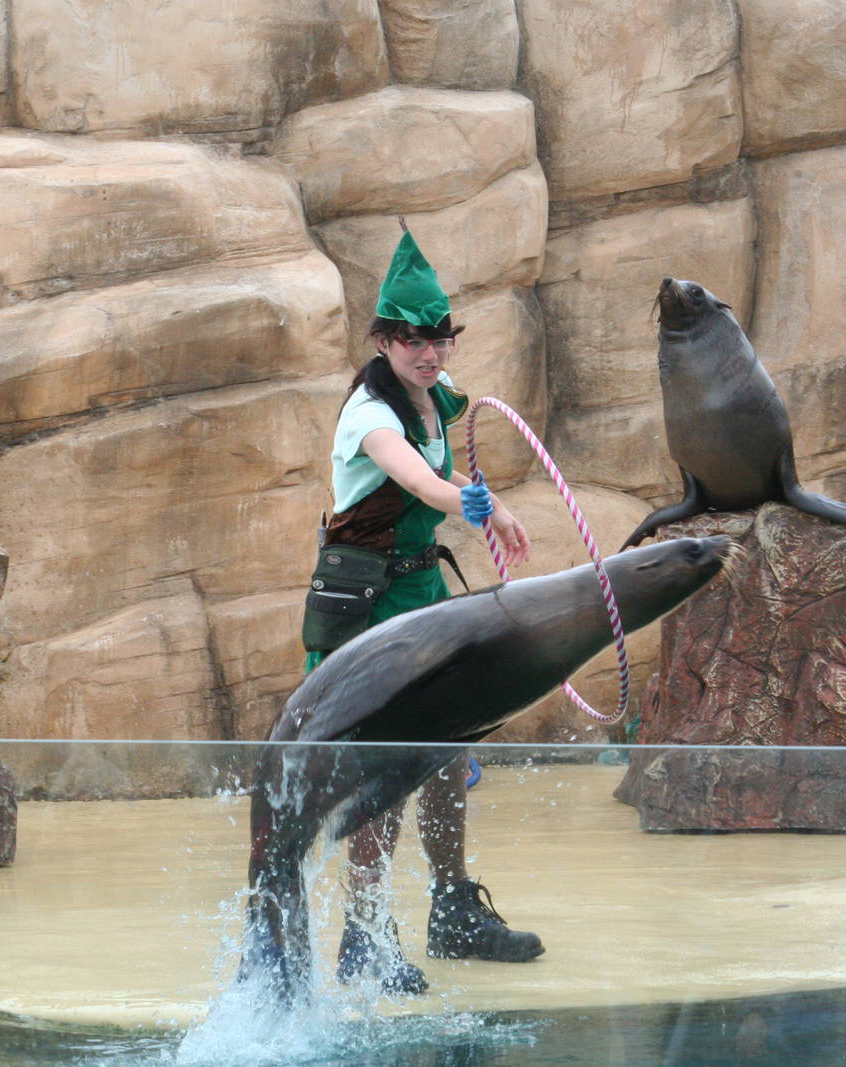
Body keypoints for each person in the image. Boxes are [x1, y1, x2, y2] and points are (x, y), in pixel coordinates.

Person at [305, 229, 544, 995]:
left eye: (437, 337)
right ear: (383, 340)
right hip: (367, 607)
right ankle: (364, 935)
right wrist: (471, 501)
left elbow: (446, 479)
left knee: (445, 750)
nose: (428, 352)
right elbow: (417, 481)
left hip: (421, 596)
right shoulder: (367, 412)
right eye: (410, 338)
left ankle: (451, 908)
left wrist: (497, 508)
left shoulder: (437, 400)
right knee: (381, 773)